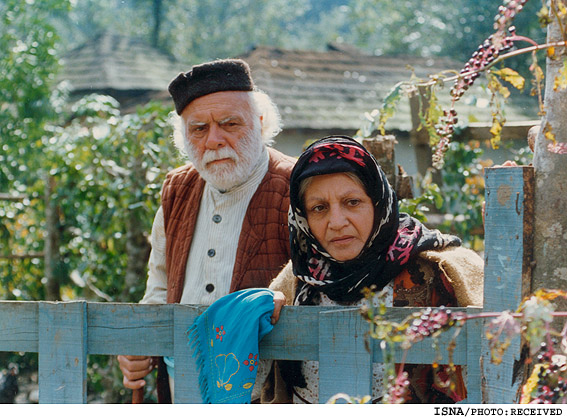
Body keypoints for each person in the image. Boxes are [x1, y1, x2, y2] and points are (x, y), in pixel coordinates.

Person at [117, 58, 294, 403]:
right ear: (184, 137)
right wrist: (138, 348)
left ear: (259, 122)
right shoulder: (177, 189)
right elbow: (158, 288)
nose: (214, 140)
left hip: (266, 393)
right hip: (181, 383)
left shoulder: (297, 185)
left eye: (230, 123)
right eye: (199, 129)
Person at [266, 135, 484, 403]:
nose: (336, 221)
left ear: (378, 202)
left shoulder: (438, 269)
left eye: (352, 202)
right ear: (303, 218)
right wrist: (258, 309)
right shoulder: (299, 278)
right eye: (319, 208)